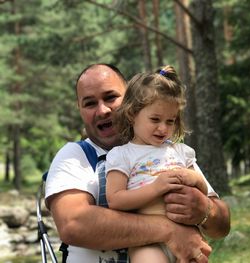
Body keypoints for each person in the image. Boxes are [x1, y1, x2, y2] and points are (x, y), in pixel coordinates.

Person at [45, 63, 231, 263]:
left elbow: (221, 225)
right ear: (80, 109)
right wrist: (169, 231)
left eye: (110, 97)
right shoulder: (75, 155)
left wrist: (205, 210)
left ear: (131, 99)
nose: (103, 110)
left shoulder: (171, 151)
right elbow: (73, 224)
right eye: (90, 103)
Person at [105, 65, 213, 263]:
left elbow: (204, 191)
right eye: (155, 119)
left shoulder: (180, 151)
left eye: (170, 121)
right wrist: (156, 187)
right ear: (131, 114)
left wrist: (194, 178)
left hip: (189, 233)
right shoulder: (122, 155)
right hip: (148, 242)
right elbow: (115, 200)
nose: (163, 128)